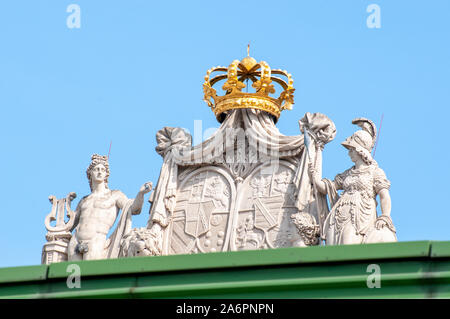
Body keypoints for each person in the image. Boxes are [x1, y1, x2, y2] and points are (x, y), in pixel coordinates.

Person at [308, 118, 396, 245]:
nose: (349, 153)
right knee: (333, 245)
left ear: (360, 151)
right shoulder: (347, 173)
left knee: (349, 242)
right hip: (340, 214)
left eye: (351, 149)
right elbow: (327, 187)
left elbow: (384, 196)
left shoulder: (375, 172)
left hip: (360, 216)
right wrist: (314, 176)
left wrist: (385, 216)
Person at [67, 154, 152, 260]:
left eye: (102, 170)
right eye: (96, 169)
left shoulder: (114, 195)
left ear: (106, 175)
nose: (99, 172)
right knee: (73, 275)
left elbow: (133, 209)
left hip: (95, 240)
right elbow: (70, 225)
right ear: (90, 174)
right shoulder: (84, 200)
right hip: (75, 241)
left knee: (91, 274)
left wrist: (141, 194)